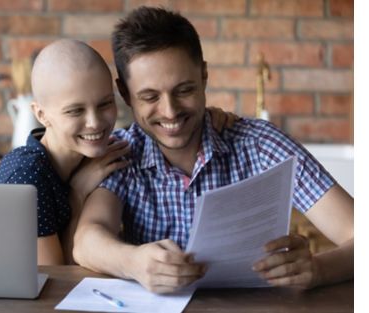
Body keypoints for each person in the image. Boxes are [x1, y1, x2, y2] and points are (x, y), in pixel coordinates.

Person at [73, 7, 354, 293]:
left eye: (184, 90)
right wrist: (133, 262)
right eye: (150, 96)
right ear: (125, 94)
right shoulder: (121, 153)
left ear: (204, 76)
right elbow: (86, 241)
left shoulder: (261, 145)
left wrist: (318, 269)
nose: (170, 112)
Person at [0, 39, 236, 265]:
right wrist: (77, 195)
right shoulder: (27, 177)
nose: (95, 123)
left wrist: (204, 116)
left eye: (104, 104)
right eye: (75, 111)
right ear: (41, 114)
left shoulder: (95, 154)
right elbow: (56, 279)